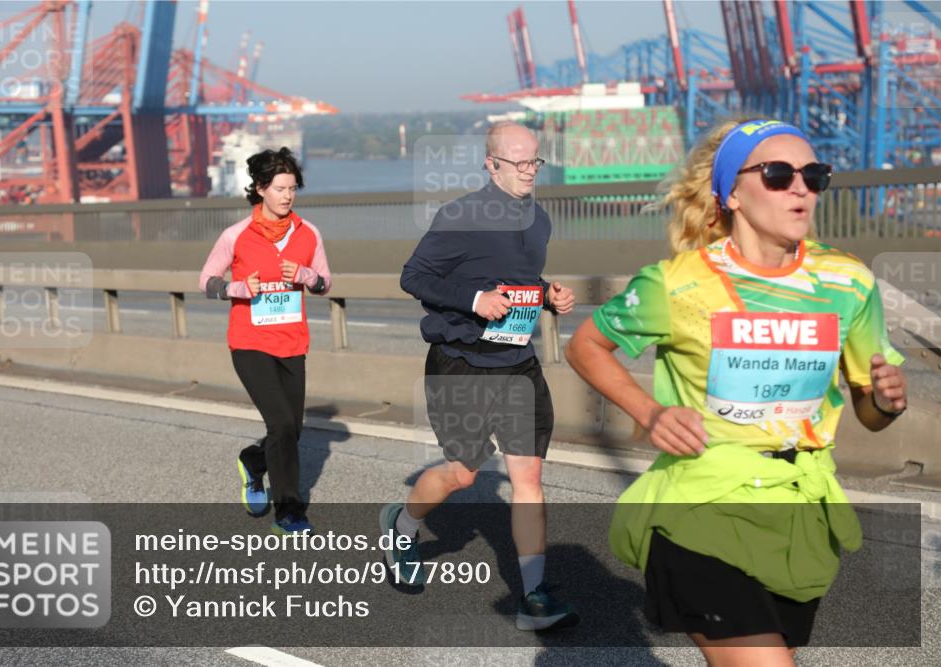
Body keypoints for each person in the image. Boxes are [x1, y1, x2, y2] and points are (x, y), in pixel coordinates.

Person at [565, 118, 908, 664]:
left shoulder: (848, 282)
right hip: (702, 507)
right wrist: (650, 413)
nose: (800, 188)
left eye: (813, 175)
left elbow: (869, 409)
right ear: (731, 194)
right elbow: (585, 345)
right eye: (778, 174)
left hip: (798, 513)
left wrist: (885, 401)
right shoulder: (677, 283)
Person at [380, 121, 580, 631]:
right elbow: (414, 276)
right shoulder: (461, 216)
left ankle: (533, 596)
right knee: (462, 474)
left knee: (528, 478)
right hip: (461, 361)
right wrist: (475, 301)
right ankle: (402, 526)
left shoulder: (539, 220)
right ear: (491, 165)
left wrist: (548, 294)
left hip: (517, 363)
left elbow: (518, 279)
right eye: (519, 163)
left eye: (535, 161)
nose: (530, 172)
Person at [199, 147, 332, 535]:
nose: (288, 196)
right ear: (260, 189)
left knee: (291, 430)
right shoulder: (236, 235)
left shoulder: (309, 234)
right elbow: (206, 280)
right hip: (250, 342)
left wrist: (307, 276)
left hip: (293, 342)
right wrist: (236, 288)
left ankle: (254, 463)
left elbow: (325, 283)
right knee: (279, 423)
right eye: (279, 188)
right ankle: (289, 510)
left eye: (292, 188)